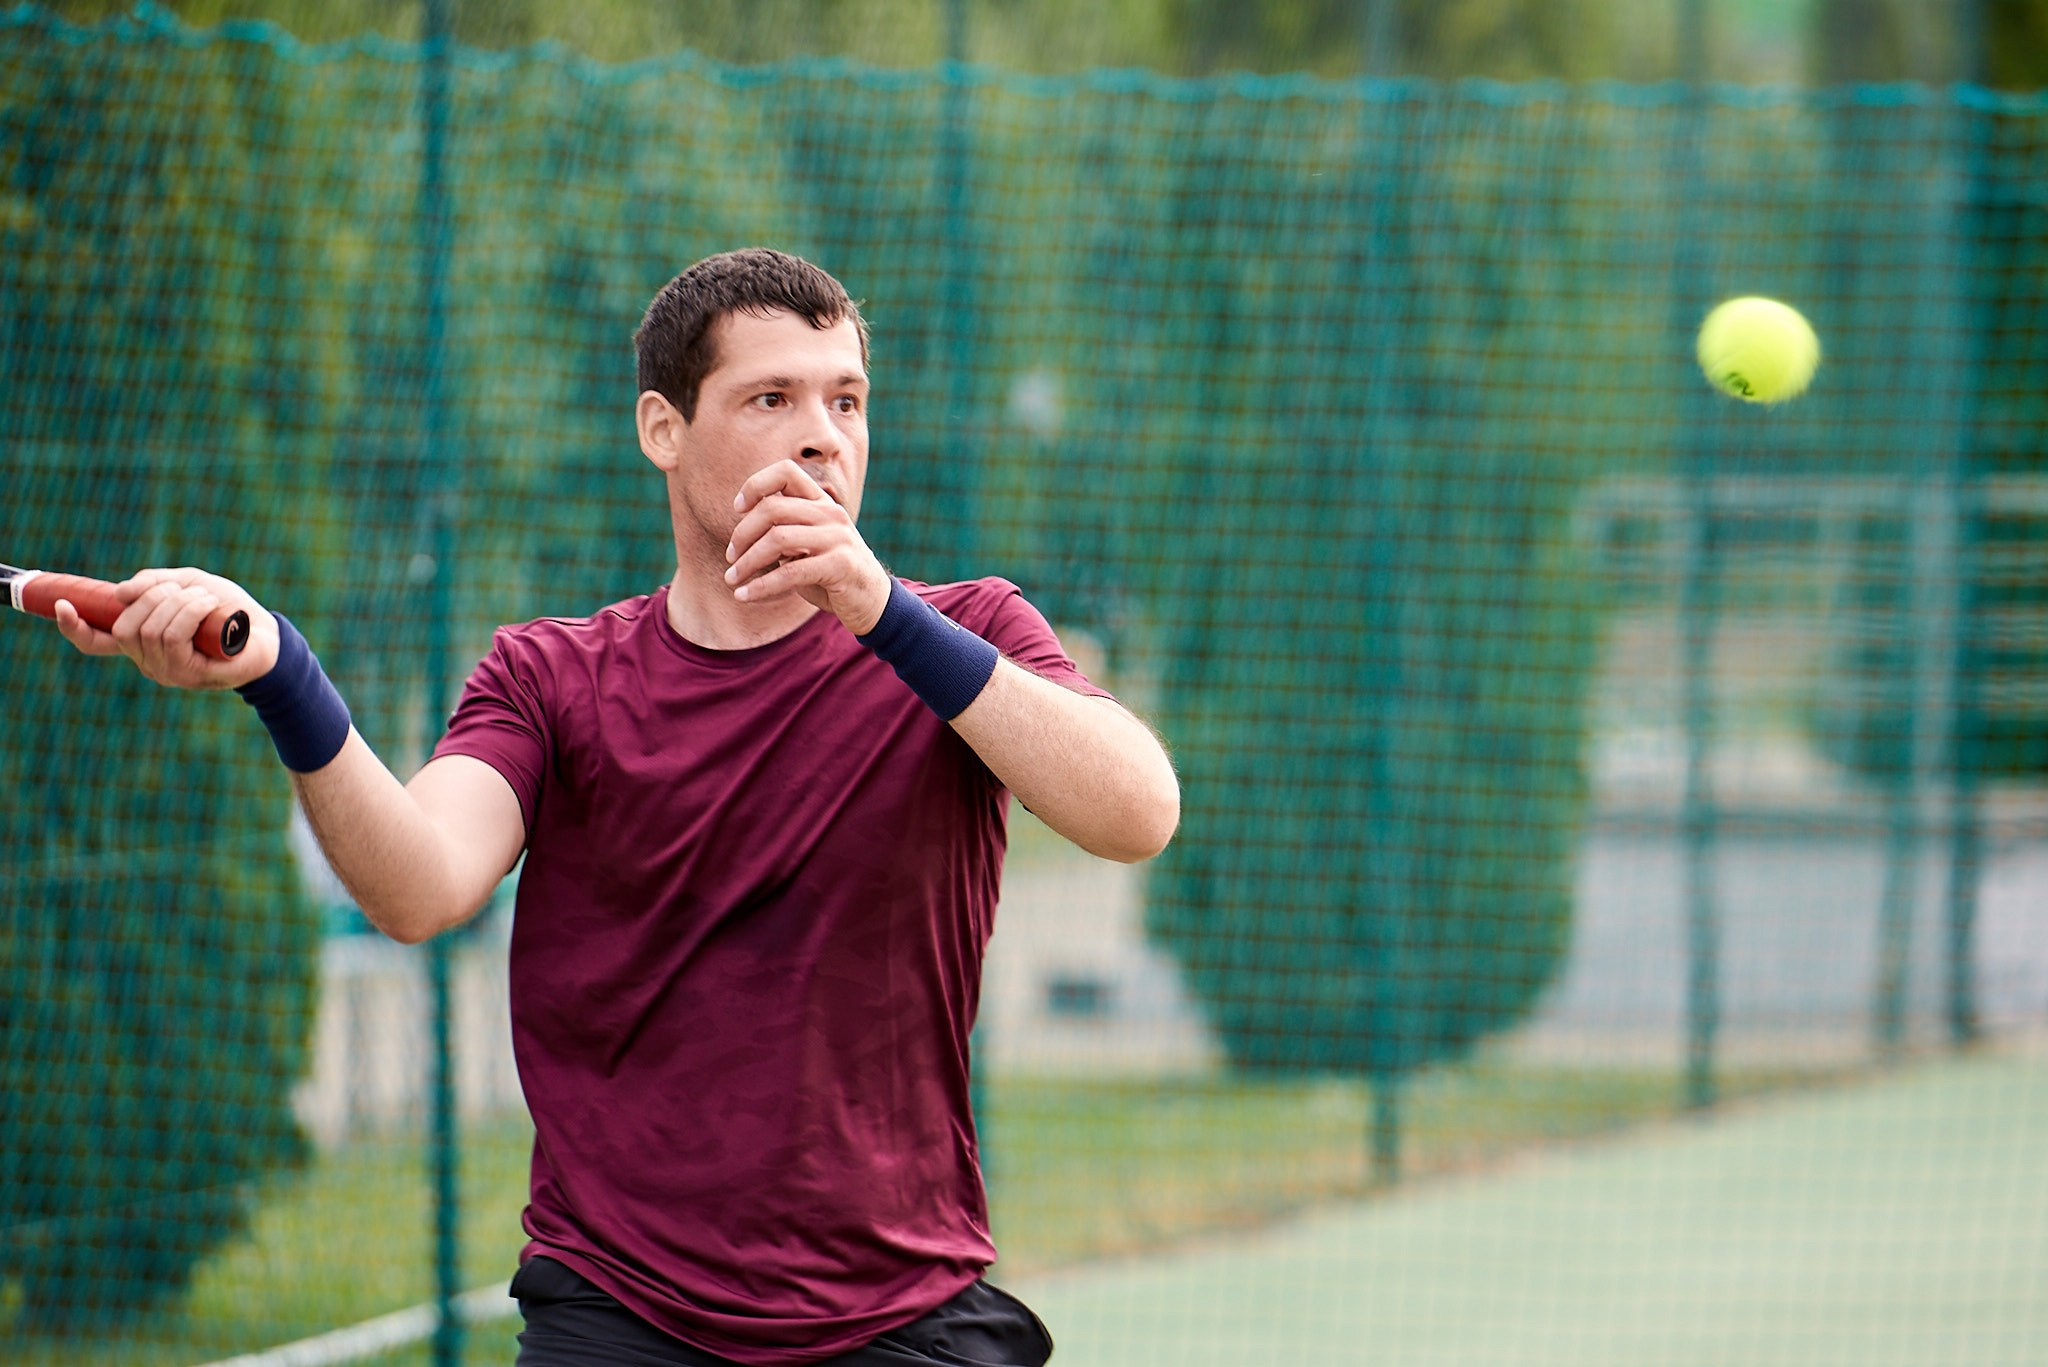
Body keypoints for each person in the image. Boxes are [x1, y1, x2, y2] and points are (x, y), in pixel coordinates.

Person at [55, 247, 1180, 1366]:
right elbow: (417, 884)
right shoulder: (550, 679)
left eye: (845, 399)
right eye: (770, 398)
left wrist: (877, 610)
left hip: (899, 1315)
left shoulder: (961, 635)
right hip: (621, 1314)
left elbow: (1136, 810)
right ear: (663, 430)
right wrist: (282, 674)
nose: (821, 435)